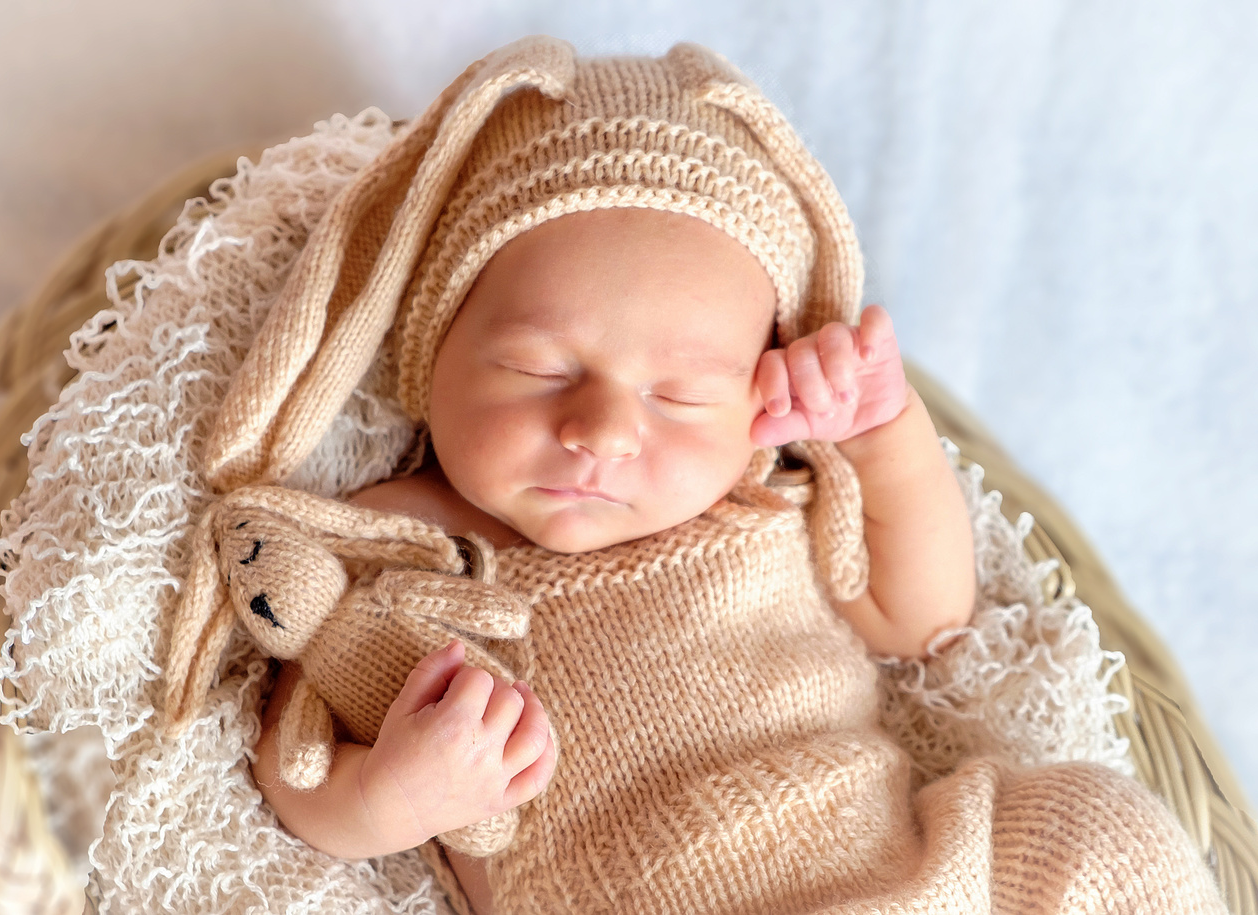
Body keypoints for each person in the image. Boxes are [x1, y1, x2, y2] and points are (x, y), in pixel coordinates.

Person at [167, 37, 1227, 914]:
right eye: (538, 370)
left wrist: (882, 434)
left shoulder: (762, 493)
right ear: (429, 351)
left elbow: (928, 618)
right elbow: (293, 775)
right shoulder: (391, 546)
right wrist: (396, 797)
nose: (601, 431)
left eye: (679, 396)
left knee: (1100, 831)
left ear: (755, 396)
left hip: (912, 877)